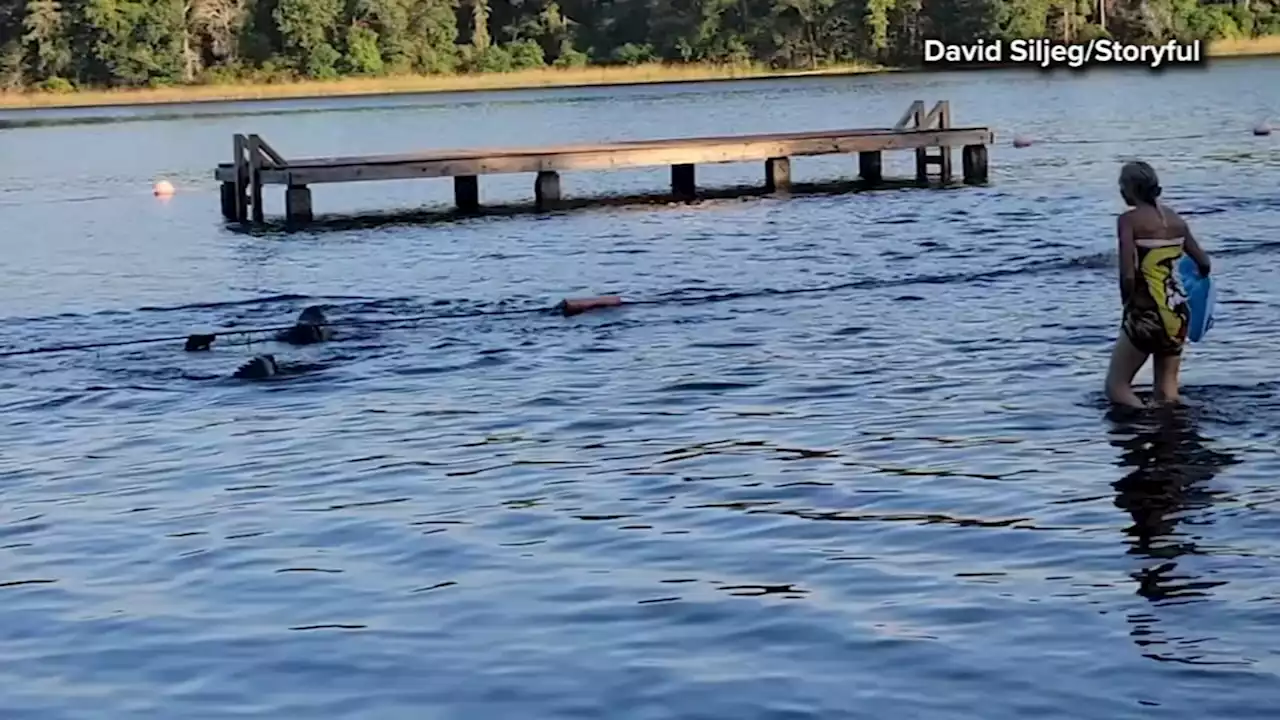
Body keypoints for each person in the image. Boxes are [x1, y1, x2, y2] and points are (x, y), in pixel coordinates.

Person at [1104, 161, 1212, 408]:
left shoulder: (1128, 221)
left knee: (1116, 387)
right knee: (1166, 394)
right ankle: (1173, 432)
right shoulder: (1176, 220)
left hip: (1147, 313)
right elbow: (1204, 264)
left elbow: (1128, 275)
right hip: (1177, 312)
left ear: (1129, 189)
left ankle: (1144, 422)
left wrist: (1128, 306)